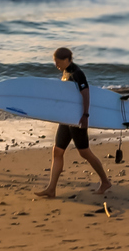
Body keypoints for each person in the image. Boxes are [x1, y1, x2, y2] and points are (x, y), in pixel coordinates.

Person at [35, 46, 111, 199]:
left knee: (84, 152)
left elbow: (86, 94)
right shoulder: (65, 72)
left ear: (67, 60)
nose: (56, 65)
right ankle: (51, 189)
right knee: (57, 151)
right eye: (55, 62)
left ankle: (105, 181)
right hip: (66, 118)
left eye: (58, 62)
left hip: (77, 118)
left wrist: (85, 115)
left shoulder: (77, 73)